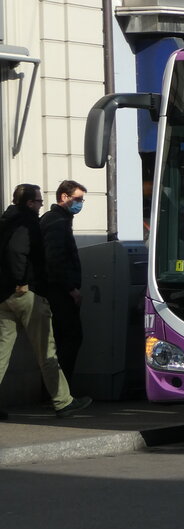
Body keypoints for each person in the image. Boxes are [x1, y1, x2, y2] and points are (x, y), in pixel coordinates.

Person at [0, 184, 91, 420]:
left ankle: (62, 400)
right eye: (38, 201)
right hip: (25, 294)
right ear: (29, 203)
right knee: (47, 351)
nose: (41, 205)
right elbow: (18, 253)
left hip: (4, 297)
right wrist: (22, 282)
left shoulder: (5, 221)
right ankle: (63, 402)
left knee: (2, 353)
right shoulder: (27, 223)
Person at [40, 180, 87, 381]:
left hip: (56, 290)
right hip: (59, 292)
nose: (81, 203)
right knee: (70, 338)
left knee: (62, 340)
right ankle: (60, 391)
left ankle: (57, 391)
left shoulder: (58, 219)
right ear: (64, 197)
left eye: (82, 200)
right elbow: (55, 259)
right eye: (77, 199)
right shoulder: (57, 222)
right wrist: (71, 289)